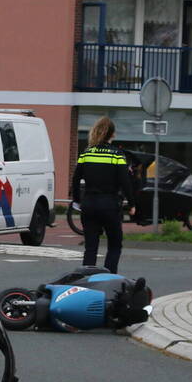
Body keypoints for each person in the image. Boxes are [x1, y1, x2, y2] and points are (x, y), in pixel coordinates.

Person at [70, 116, 135, 274]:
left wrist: (77, 200)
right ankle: (108, 280)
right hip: (109, 204)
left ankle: (86, 282)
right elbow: (125, 182)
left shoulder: (86, 153)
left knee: (91, 247)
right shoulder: (117, 155)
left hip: (89, 204)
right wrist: (132, 203)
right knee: (114, 244)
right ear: (112, 134)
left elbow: (76, 179)